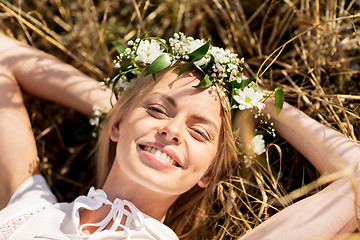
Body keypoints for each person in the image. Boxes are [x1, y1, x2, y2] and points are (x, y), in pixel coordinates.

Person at [0, 31, 359, 240]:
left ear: (208, 174)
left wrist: (261, 104)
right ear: (117, 127)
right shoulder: (29, 207)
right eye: (158, 110)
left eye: (199, 132)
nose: (171, 130)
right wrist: (120, 104)